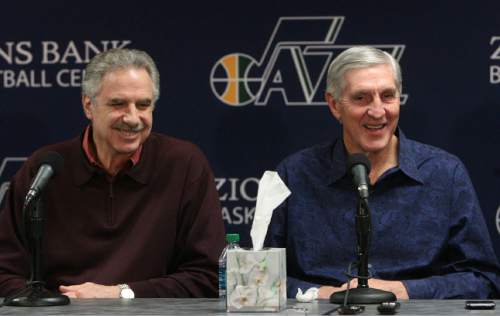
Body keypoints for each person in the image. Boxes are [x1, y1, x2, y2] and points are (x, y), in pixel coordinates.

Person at [265, 46, 500, 299]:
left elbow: (483, 279)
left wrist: (404, 290)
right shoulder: (295, 175)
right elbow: (261, 278)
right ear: (334, 105)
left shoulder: (445, 174)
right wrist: (324, 294)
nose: (377, 111)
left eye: (387, 96)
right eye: (361, 98)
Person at [0, 48, 225, 298]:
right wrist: (54, 305)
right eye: (118, 104)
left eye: (143, 105)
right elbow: (4, 271)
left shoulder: (183, 165)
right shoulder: (45, 168)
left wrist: (121, 293)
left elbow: (209, 275)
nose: (132, 118)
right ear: (88, 105)